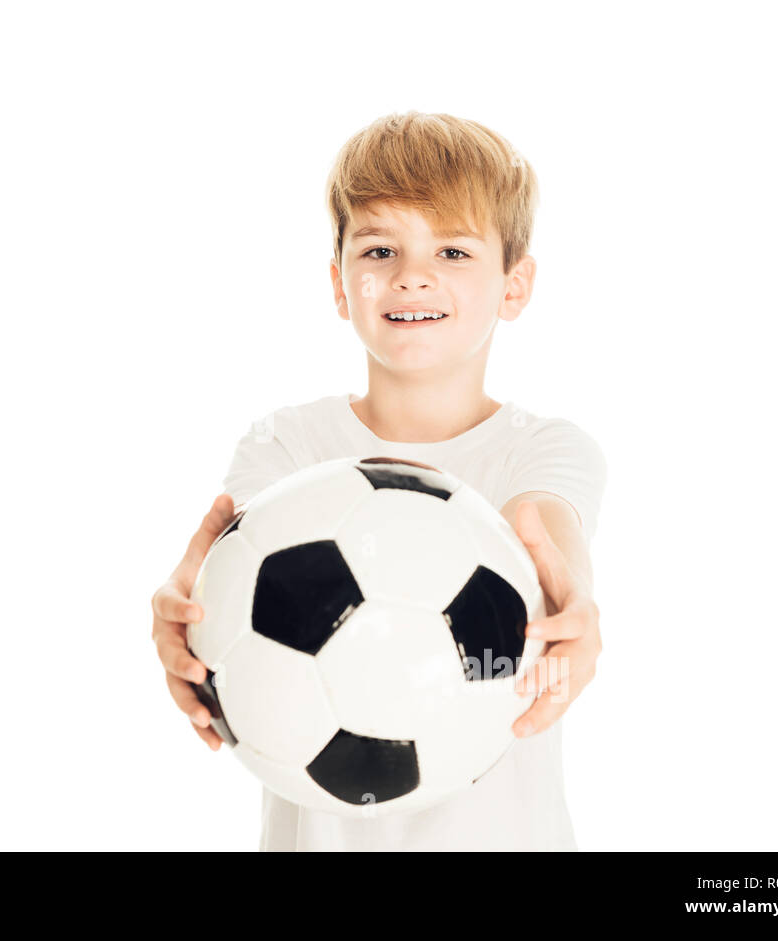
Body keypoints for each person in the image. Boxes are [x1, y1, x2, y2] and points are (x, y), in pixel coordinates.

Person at [150, 111, 608, 851]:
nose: (412, 274)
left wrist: (572, 602)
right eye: (380, 248)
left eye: (454, 249)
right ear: (339, 283)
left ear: (514, 284)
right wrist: (186, 612)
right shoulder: (288, 445)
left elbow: (546, 528)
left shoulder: (545, 449)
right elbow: (224, 561)